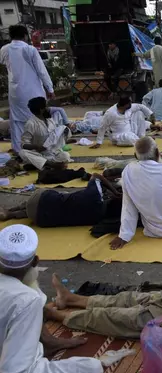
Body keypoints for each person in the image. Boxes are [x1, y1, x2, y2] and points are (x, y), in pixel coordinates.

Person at [0, 225, 104, 373]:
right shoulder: (26, 300)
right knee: (92, 368)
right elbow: (11, 372)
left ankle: (49, 342)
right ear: (36, 261)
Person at [0, 25, 54, 153]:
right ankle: (40, 145)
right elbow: (42, 71)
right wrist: (50, 88)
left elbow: (3, 62)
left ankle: (19, 149)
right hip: (32, 90)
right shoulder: (30, 50)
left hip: (15, 91)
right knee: (37, 119)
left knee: (17, 121)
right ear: (25, 36)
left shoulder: (4, 49)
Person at [0, 171, 121, 227]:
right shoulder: (101, 219)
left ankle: (10, 210)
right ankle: (13, 214)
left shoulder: (95, 194)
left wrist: (115, 191)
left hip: (39, 201)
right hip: (41, 220)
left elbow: (96, 175)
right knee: (61, 208)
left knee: (58, 197)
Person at [18, 97, 72, 171]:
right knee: (23, 153)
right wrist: (37, 146)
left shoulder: (49, 120)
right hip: (39, 153)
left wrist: (64, 132)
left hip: (52, 153)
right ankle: (51, 165)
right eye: (46, 106)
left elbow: (56, 136)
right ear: (41, 109)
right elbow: (23, 144)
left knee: (65, 155)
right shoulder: (31, 124)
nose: (48, 108)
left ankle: (41, 165)